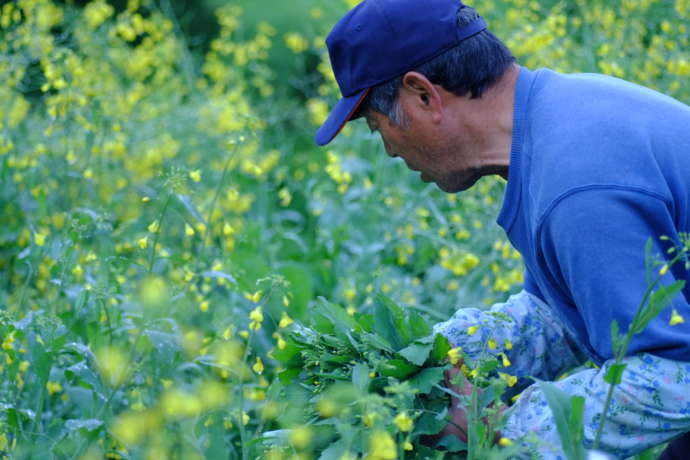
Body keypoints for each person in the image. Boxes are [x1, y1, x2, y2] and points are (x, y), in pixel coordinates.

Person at [313, 0, 690, 458]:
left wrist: (498, 434)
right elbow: (565, 314)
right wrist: (438, 359)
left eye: (378, 127)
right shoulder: (554, 119)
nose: (391, 151)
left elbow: (671, 381)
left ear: (423, 94)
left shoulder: (577, 186)